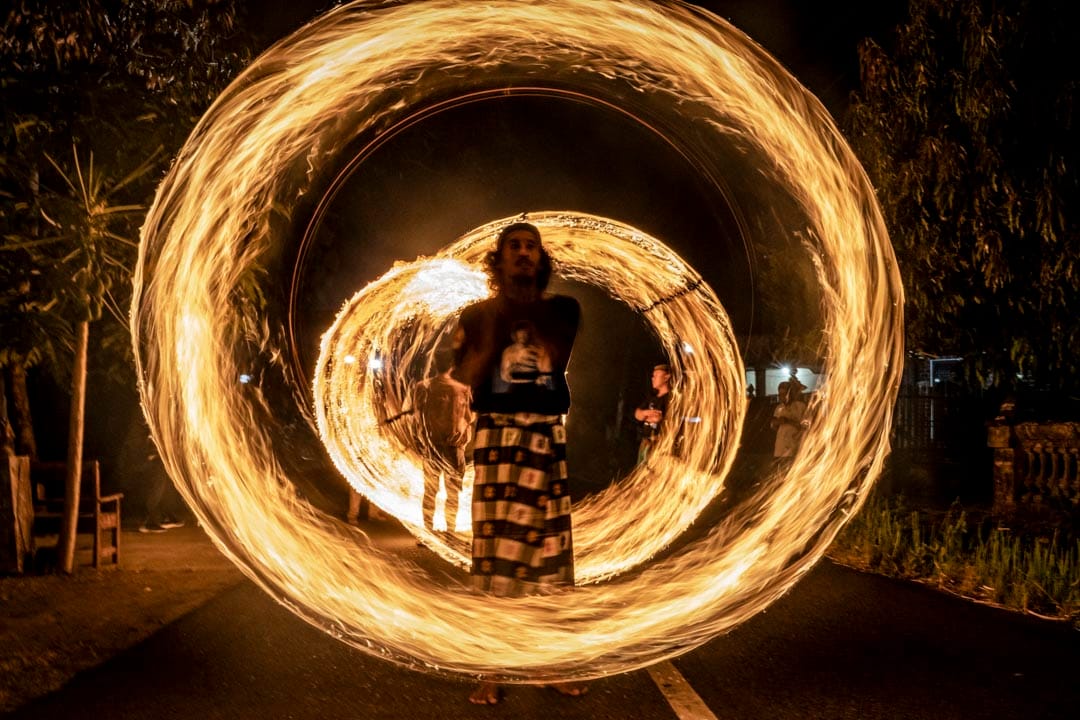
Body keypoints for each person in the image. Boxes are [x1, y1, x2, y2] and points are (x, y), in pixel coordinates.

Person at [450, 220, 586, 704]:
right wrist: (480, 344)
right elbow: (465, 374)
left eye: (531, 247)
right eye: (514, 248)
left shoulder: (564, 309)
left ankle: (550, 663)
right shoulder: (474, 312)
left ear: (541, 259)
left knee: (550, 553)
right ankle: (493, 667)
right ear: (500, 259)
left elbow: (556, 352)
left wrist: (493, 336)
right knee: (495, 553)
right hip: (497, 436)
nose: (524, 254)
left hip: (545, 434)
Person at [412, 349, 472, 534]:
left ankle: (429, 532)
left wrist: (420, 440)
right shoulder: (462, 388)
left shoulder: (424, 387)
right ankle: (451, 531)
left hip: (432, 446)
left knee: (430, 490)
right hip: (454, 447)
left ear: (435, 363)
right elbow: (469, 417)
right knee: (453, 491)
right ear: (452, 365)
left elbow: (417, 417)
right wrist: (463, 437)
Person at [633, 363, 672, 464]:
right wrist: (646, 413)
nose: (652, 378)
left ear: (666, 377)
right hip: (645, 443)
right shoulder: (652, 399)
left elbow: (669, 421)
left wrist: (659, 420)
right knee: (640, 474)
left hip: (658, 447)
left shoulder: (670, 399)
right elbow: (637, 414)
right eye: (652, 376)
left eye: (656, 375)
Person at [771, 377, 808, 465]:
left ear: (790, 394)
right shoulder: (779, 408)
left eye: (784, 394)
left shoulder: (800, 407)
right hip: (780, 448)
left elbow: (805, 426)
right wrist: (777, 422)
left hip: (793, 447)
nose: (781, 397)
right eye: (779, 394)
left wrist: (788, 421)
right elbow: (773, 424)